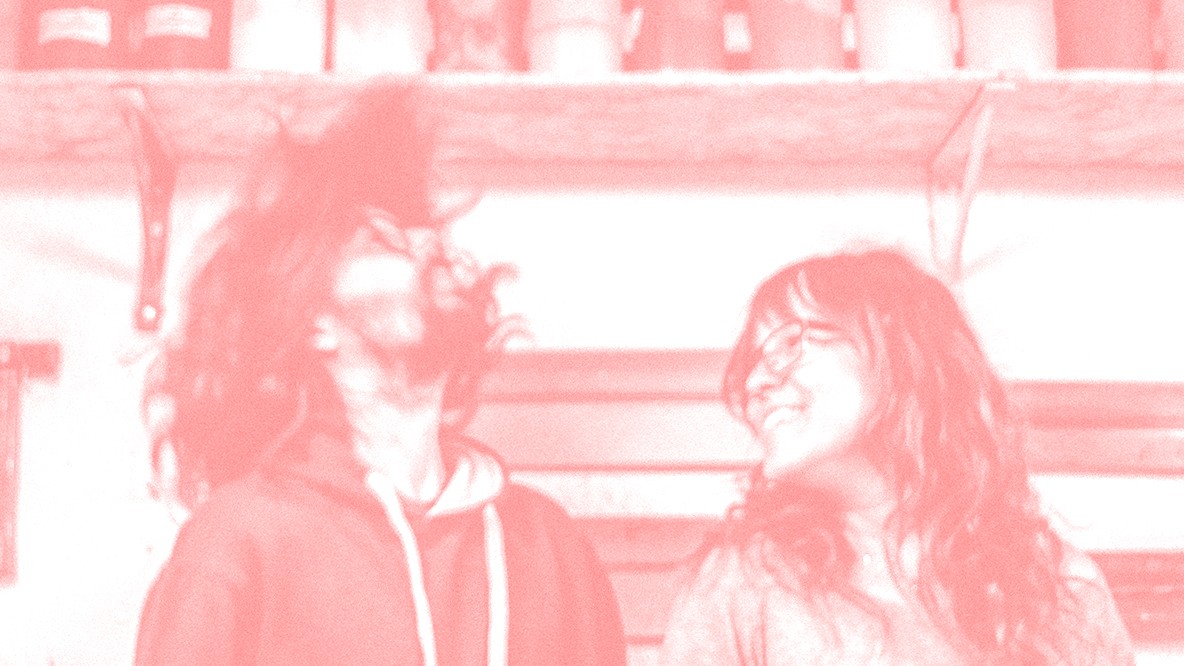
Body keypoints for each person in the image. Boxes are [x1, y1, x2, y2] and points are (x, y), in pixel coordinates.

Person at [134, 85, 626, 666]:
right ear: (311, 323)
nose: (428, 244)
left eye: (425, 233)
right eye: (380, 240)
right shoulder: (237, 541)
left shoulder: (551, 548)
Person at [660, 249, 1134, 665]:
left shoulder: (1061, 591)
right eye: (754, 361)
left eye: (790, 343)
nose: (755, 382)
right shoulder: (740, 586)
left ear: (901, 357)